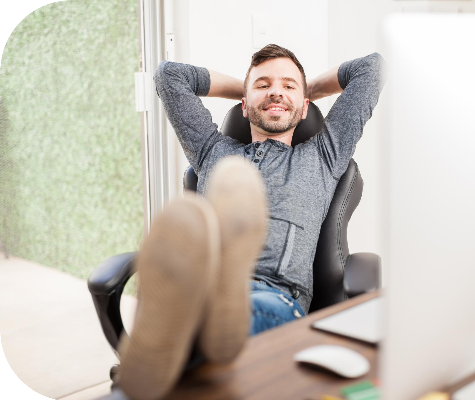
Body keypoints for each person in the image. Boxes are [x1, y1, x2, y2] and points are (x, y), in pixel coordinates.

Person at [115, 44, 386, 400]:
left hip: (276, 297)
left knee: (211, 321)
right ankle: (209, 319)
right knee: (200, 314)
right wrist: (254, 89)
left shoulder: (323, 155)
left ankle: (171, 350)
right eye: (263, 85)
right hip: (204, 294)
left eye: (289, 86)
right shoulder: (213, 151)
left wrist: (307, 90)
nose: (276, 91)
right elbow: (170, 75)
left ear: (305, 107)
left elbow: (372, 69)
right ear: (244, 105)